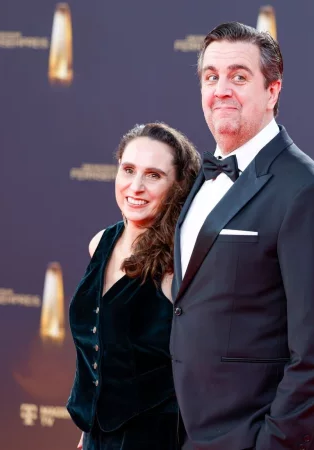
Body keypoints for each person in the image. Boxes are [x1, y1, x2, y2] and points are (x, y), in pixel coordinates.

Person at [170, 22, 314, 450]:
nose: (221, 89)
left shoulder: (305, 189)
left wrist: (273, 442)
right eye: (211, 77)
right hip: (187, 432)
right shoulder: (201, 175)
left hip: (253, 437)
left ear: (273, 92)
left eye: (238, 76)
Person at [67, 122, 201, 450]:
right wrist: (89, 429)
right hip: (97, 435)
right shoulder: (100, 243)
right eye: (128, 170)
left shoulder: (180, 261)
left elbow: (202, 365)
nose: (135, 186)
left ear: (178, 185)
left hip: (154, 439)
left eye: (153, 175)